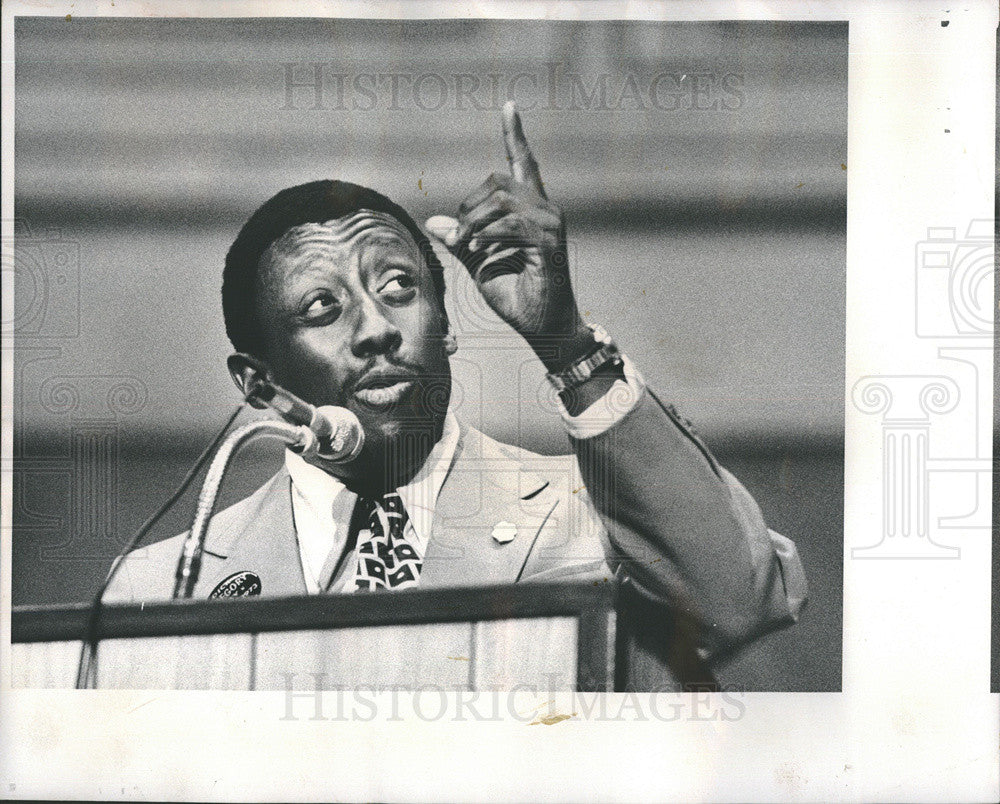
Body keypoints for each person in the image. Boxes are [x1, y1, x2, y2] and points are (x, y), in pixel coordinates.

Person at [107, 103, 806, 687]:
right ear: (258, 383)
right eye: (323, 307)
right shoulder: (158, 586)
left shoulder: (594, 513)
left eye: (399, 289)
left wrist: (565, 340)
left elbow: (737, 602)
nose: (377, 329)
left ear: (446, 326)